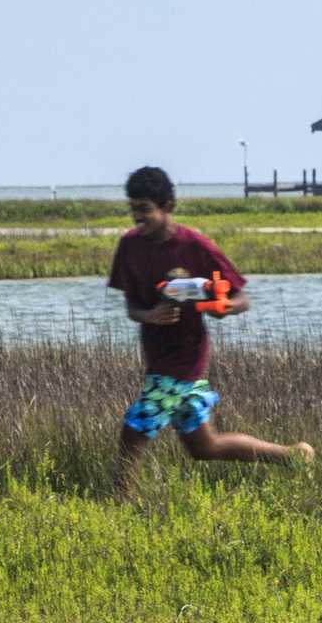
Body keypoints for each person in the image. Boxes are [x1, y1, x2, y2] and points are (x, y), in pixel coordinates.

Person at [108, 164, 311, 495]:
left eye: (144, 210)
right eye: (133, 209)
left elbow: (241, 298)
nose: (137, 218)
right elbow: (132, 309)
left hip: (184, 360)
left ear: (167, 208)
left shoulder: (195, 247)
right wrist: (150, 316)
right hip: (157, 355)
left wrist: (224, 308)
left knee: (133, 432)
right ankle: (292, 456)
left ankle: (118, 503)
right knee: (204, 447)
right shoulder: (130, 246)